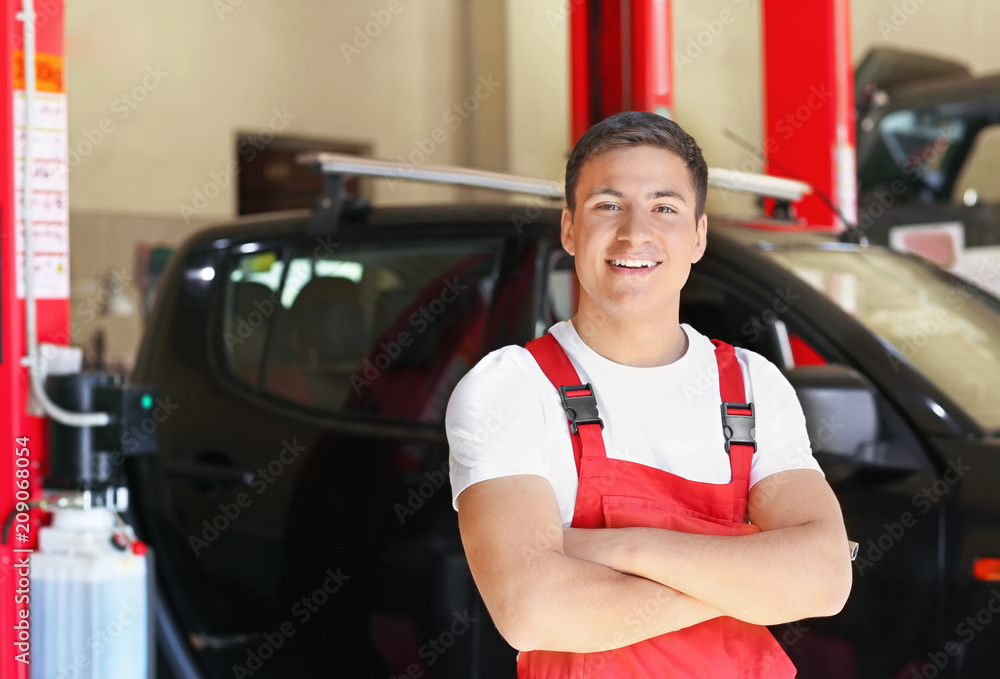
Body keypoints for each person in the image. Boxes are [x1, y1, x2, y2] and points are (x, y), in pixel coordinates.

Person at [445, 111, 852, 677]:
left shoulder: (753, 386)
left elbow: (825, 581)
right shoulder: (511, 387)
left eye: (665, 207)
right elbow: (533, 610)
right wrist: (752, 583)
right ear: (568, 229)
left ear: (699, 235)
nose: (635, 233)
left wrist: (621, 549)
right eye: (607, 205)